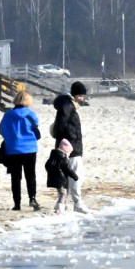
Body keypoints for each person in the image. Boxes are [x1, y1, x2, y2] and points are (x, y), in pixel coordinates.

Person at [0, 90, 41, 211]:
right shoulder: (31, 114)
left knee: (16, 177)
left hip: (13, 149)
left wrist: (11, 137)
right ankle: (32, 198)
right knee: (30, 175)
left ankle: (17, 204)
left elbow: (2, 130)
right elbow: (35, 128)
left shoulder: (8, 115)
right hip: (30, 149)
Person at [51, 81, 89, 213]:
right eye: (80, 96)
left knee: (64, 176)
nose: (82, 98)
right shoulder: (68, 105)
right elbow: (61, 125)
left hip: (66, 144)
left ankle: (61, 204)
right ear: (74, 94)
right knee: (76, 175)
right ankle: (77, 203)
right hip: (71, 146)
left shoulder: (66, 104)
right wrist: (64, 139)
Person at [45, 138, 80, 214]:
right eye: (69, 153)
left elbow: (47, 166)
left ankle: (58, 207)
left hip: (54, 179)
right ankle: (60, 209)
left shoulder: (53, 157)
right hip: (61, 180)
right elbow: (68, 169)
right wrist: (75, 176)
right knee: (63, 194)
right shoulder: (63, 158)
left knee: (61, 193)